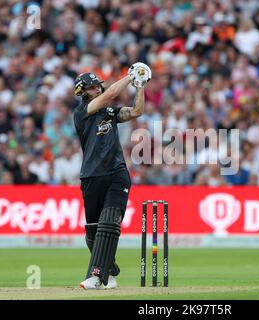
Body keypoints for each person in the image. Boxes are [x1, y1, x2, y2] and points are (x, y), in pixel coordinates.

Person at [73, 63, 151, 290]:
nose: (97, 89)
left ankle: (96, 276)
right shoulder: (82, 113)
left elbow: (136, 111)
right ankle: (109, 272)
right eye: (92, 88)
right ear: (82, 92)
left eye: (98, 87)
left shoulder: (109, 112)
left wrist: (140, 86)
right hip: (91, 176)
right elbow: (112, 94)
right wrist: (129, 76)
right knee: (93, 233)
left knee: (109, 222)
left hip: (117, 173)